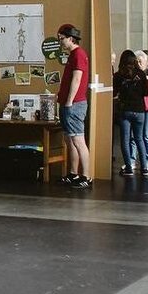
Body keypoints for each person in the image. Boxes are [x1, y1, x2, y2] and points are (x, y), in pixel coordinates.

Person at [56, 24, 91, 188]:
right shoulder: (72, 55)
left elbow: (77, 79)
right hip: (66, 103)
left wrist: (69, 101)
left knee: (78, 139)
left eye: (61, 39)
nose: (60, 42)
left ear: (70, 38)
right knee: (70, 139)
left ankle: (86, 176)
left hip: (74, 104)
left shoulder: (79, 55)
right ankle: (73, 173)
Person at [113, 49, 148, 175]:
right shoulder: (141, 74)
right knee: (139, 139)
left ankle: (129, 167)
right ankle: (144, 167)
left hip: (125, 110)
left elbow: (114, 92)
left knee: (125, 139)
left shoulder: (118, 75)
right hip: (140, 110)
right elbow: (146, 92)